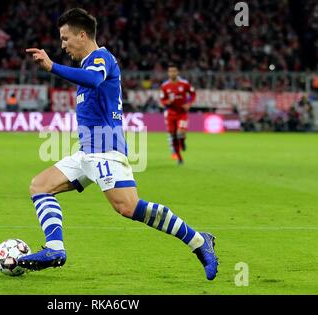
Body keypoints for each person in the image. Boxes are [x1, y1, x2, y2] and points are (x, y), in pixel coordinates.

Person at [21, 8, 218, 280]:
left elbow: (93, 80)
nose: (63, 45)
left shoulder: (101, 58)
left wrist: (52, 66)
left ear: (82, 35)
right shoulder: (85, 65)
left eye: (66, 39)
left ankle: (198, 241)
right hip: (86, 152)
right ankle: (55, 249)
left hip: (106, 151)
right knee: (40, 186)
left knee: (128, 207)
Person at [159, 64, 196, 164]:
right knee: (173, 136)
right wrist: (167, 102)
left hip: (182, 113)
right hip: (171, 114)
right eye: (170, 71)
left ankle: (183, 141)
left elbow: (193, 94)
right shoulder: (165, 86)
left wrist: (189, 103)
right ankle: (179, 158)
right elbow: (162, 100)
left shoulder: (184, 84)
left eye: (174, 71)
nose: (172, 73)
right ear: (168, 73)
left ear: (177, 72)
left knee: (180, 133)